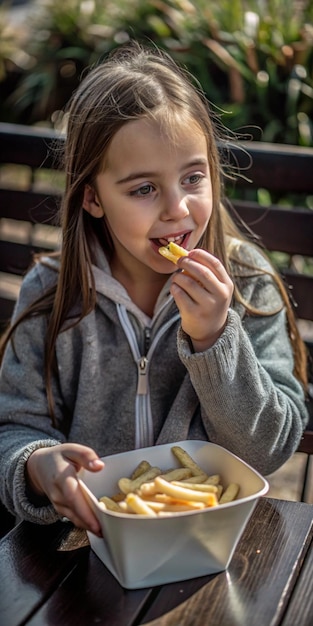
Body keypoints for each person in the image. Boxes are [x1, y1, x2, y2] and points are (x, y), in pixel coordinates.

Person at [0, 41, 308, 537]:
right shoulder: (53, 291)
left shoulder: (246, 282)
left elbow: (269, 450)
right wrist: (37, 466)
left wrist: (215, 340)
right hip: (84, 544)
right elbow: (11, 428)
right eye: (144, 189)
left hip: (211, 539)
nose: (177, 209)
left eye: (193, 177)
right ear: (93, 199)